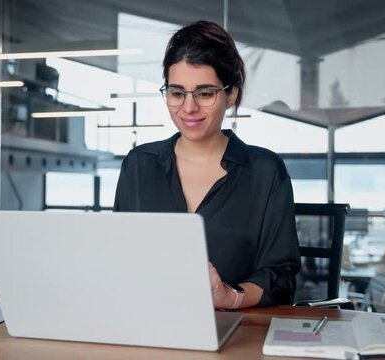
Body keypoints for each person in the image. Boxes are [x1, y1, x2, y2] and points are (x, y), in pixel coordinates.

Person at [113, 21, 300, 309]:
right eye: (177, 93)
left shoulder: (265, 171)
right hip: (145, 322)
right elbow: (118, 258)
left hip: (233, 329)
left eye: (204, 93)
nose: (188, 108)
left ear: (231, 94)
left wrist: (230, 297)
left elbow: (280, 278)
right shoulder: (139, 165)